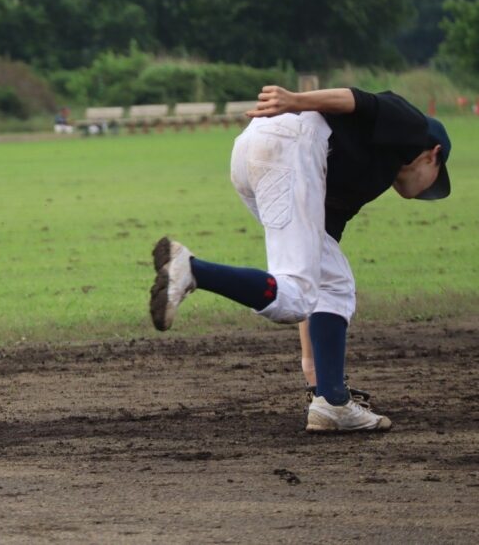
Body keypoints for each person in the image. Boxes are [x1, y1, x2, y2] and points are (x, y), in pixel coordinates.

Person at [149, 85, 451, 433]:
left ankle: (331, 401)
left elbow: (319, 279)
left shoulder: (365, 174)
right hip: (288, 141)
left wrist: (312, 371)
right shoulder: (412, 127)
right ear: (433, 155)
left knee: (331, 282)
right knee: (294, 296)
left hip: (255, 149)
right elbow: (356, 99)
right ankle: (192, 270)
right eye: (435, 179)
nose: (428, 190)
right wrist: (296, 100)